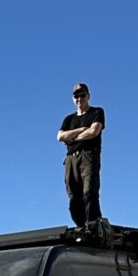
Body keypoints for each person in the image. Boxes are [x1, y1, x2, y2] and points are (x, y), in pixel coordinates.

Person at [57, 83, 105, 228]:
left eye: (82, 95)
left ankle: (93, 225)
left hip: (88, 155)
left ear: (88, 96)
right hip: (71, 158)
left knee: (89, 192)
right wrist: (81, 129)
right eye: (76, 96)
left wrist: (73, 138)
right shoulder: (69, 119)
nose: (79, 99)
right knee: (74, 197)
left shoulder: (96, 112)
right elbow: (60, 136)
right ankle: (81, 226)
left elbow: (93, 131)